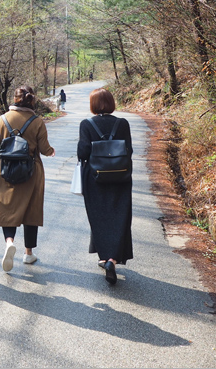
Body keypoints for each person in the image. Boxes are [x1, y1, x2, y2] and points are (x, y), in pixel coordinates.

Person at [0, 86, 55, 272]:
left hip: (6, 170)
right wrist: (51, 152)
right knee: (31, 211)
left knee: (7, 208)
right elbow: (44, 148)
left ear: (14, 99)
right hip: (31, 171)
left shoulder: (2, 119)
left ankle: (9, 242)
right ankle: (28, 253)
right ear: (32, 100)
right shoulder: (37, 121)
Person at [77, 88, 133, 285]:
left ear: (93, 104)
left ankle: (103, 256)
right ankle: (113, 259)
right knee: (119, 217)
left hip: (95, 178)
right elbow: (129, 150)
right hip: (121, 178)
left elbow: (83, 152)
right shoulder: (122, 123)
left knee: (99, 217)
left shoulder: (86, 124)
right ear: (111, 103)